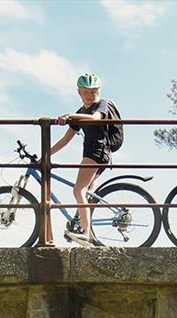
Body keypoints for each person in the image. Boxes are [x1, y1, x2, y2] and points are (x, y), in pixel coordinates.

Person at [48, 73, 121, 247]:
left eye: (94, 91)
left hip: (97, 151)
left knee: (78, 191)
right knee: (86, 192)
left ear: (99, 91)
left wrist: (71, 116)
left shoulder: (102, 104)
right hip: (94, 153)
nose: (90, 95)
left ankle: (87, 235)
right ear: (79, 92)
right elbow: (66, 139)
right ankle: (83, 226)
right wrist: (46, 154)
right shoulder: (80, 112)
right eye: (86, 92)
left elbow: (96, 118)